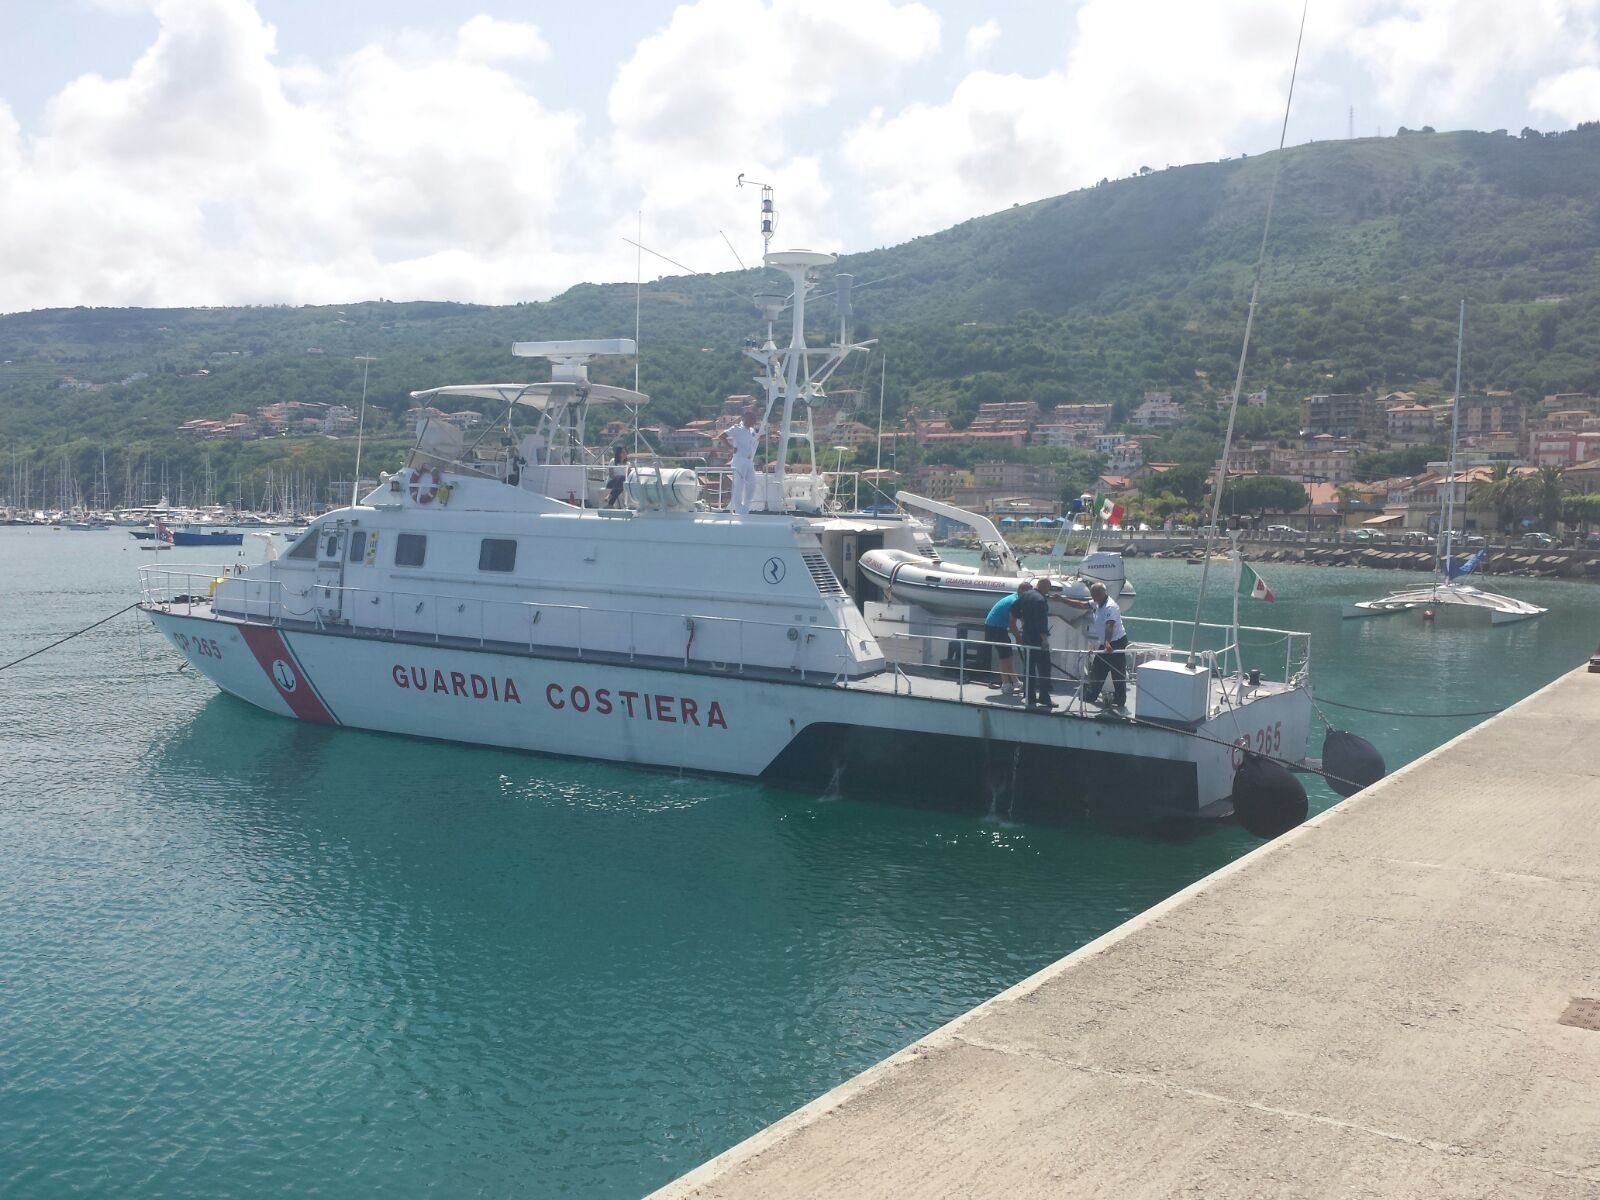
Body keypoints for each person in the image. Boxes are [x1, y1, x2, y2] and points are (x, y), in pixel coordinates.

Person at [1067, 580, 1129, 712]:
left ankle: (1119, 699)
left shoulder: (1109, 606)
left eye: (1094, 594)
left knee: (1116, 672)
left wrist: (1107, 643)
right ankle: (1092, 695)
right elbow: (1083, 604)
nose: (1092, 596)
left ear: (1102, 593)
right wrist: (1063, 600)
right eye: (1092, 594)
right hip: (1106, 642)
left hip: (1115, 642)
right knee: (1098, 669)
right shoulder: (1097, 602)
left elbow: (1110, 625)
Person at [1010, 577, 1056, 709]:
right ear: (1045, 587)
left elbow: (1013, 608)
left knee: (1028, 668)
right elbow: (1042, 623)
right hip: (1038, 639)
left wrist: (1022, 618)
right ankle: (1044, 697)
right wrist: (1045, 640)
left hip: (1026, 636)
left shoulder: (1025, 595)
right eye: (1049, 588)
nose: (1049, 591)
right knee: (1044, 669)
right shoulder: (1041, 600)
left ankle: (1029, 697)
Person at [982, 581, 1031, 694]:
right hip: (995, 627)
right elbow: (1012, 623)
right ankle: (1006, 684)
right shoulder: (1014, 601)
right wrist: (1018, 638)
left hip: (998, 627)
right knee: (1004, 656)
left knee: (1008, 655)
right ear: (1023, 591)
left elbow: (1020, 616)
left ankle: (1015, 682)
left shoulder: (1017, 598)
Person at [717, 408, 761, 516]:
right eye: (752, 419)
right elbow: (722, 436)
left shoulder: (751, 431)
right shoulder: (737, 428)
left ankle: (745, 507)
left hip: (749, 460)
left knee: (752, 484)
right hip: (739, 460)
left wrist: (769, 436)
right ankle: (739, 510)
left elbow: (756, 439)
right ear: (746, 418)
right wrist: (730, 448)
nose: (754, 422)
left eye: (754, 420)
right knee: (739, 486)